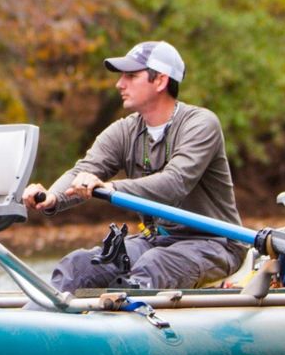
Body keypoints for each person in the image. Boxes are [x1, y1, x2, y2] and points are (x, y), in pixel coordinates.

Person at [23, 40, 243, 294]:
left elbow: (174, 184)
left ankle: (122, 310)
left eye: (130, 76)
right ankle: (37, 315)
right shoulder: (124, 130)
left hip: (215, 243)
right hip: (156, 240)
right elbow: (82, 170)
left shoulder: (201, 124)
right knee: (78, 266)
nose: (120, 84)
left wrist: (111, 188)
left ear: (160, 81)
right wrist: (52, 197)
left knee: (153, 266)